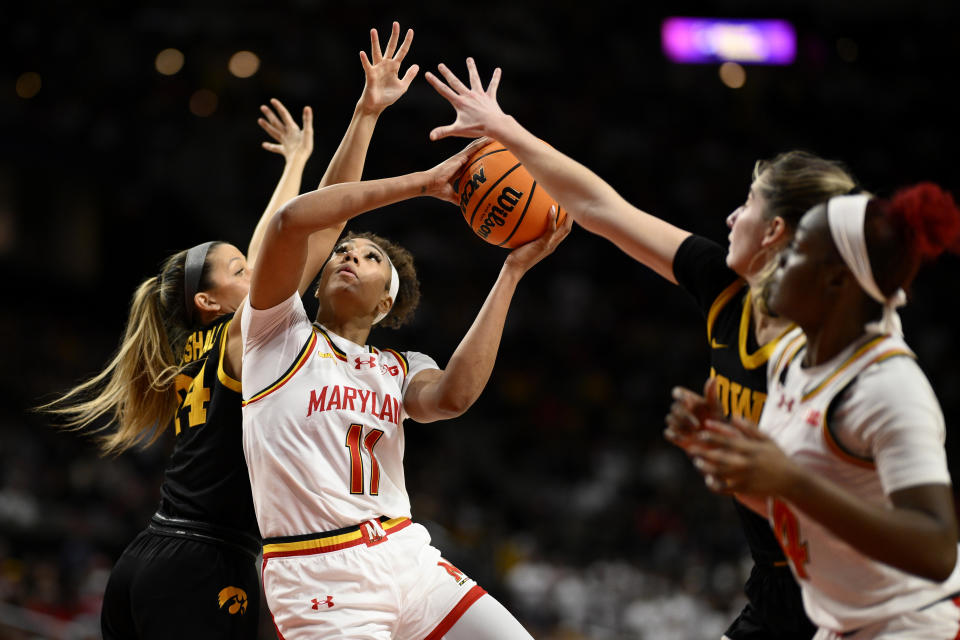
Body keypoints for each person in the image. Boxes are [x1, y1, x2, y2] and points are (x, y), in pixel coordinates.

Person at [424, 58, 858, 638]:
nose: (731, 216)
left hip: (850, 600)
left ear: (776, 232)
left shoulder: (834, 353)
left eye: (748, 205)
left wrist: (733, 465)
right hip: (780, 585)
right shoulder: (723, 285)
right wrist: (504, 128)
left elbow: (855, 518)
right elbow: (604, 209)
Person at [41, 21, 420, 639]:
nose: (259, 270)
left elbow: (289, 232)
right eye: (240, 270)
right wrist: (365, 117)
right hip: (205, 562)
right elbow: (307, 226)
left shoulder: (207, 344)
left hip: (148, 559)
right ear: (209, 300)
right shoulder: (248, 335)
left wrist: (298, 161)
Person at [239, 126, 571, 636]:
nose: (350, 257)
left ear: (385, 304)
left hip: (406, 555)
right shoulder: (276, 335)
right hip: (318, 569)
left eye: (372, 258)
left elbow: (453, 397)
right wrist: (421, 181)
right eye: (344, 251)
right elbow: (289, 221)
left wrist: (511, 272)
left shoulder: (398, 367)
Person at [665, 183, 960, 638]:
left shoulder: (890, 387)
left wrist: (791, 479)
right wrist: (721, 448)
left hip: (914, 625)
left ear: (836, 281)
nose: (779, 261)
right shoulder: (792, 360)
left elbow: (937, 549)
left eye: (797, 250)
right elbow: (793, 507)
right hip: (841, 623)